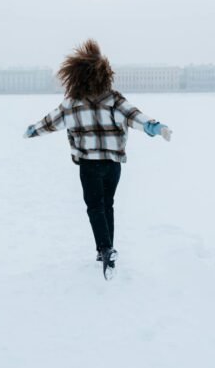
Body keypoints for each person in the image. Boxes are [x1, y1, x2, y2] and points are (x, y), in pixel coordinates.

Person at [23, 39, 171, 279]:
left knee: (95, 206)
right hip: (112, 164)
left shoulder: (72, 103)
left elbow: (51, 122)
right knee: (107, 204)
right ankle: (106, 249)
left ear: (75, 76)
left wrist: (33, 130)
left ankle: (105, 249)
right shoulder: (113, 99)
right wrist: (155, 128)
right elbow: (135, 116)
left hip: (89, 164)